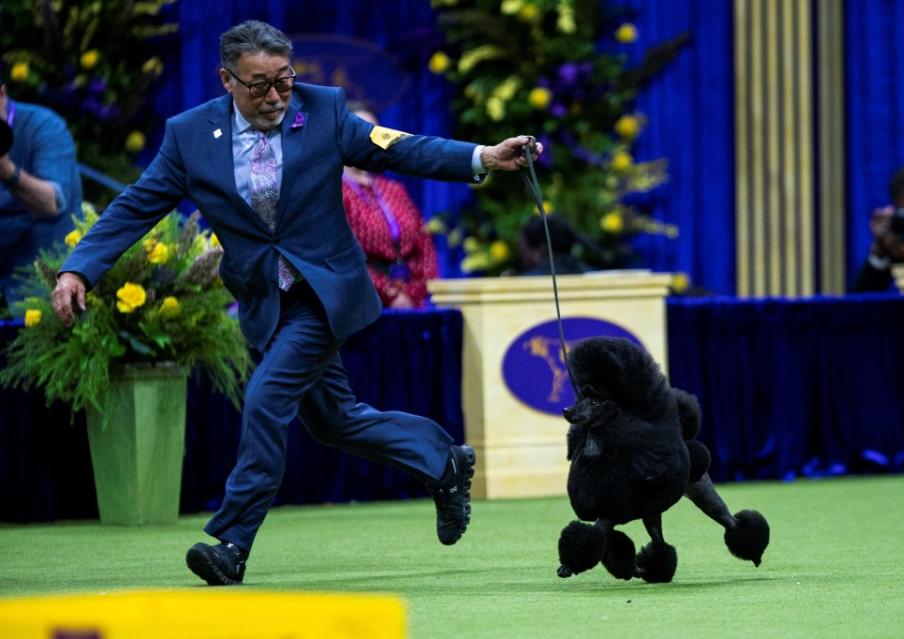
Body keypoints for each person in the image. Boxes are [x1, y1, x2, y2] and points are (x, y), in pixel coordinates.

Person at [50, 20, 542, 586]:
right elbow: (136, 205)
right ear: (226, 80)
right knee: (335, 422)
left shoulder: (326, 110)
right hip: (267, 302)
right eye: (259, 86)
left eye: (284, 80)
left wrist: (482, 155)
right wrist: (76, 268)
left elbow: (401, 148)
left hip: (326, 294)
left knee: (264, 399)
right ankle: (443, 462)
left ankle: (232, 542)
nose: (276, 97)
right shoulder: (190, 136)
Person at [342, 104, 437, 309]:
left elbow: (423, 243)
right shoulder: (334, 191)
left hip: (410, 302)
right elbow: (343, 255)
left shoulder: (393, 189)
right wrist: (390, 294)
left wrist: (414, 293)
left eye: (373, 133)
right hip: (361, 303)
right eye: (358, 131)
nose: (366, 140)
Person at [0, 74, 82, 312]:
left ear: (2, 95)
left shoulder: (45, 127)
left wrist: (7, 170)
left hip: (45, 276)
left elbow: (52, 204)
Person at [516, 214, 588, 276]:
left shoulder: (525, 281)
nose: (522, 260)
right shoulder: (594, 274)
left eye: (523, 251)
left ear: (541, 249)